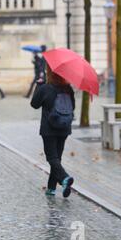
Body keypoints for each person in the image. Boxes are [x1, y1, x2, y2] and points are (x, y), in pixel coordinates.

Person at [30, 66, 75, 197]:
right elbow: (73, 106)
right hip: (64, 128)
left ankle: (65, 179)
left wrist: (38, 86)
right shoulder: (68, 89)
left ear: (49, 73)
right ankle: (51, 188)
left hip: (49, 129)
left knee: (52, 158)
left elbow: (34, 104)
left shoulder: (45, 88)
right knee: (57, 159)